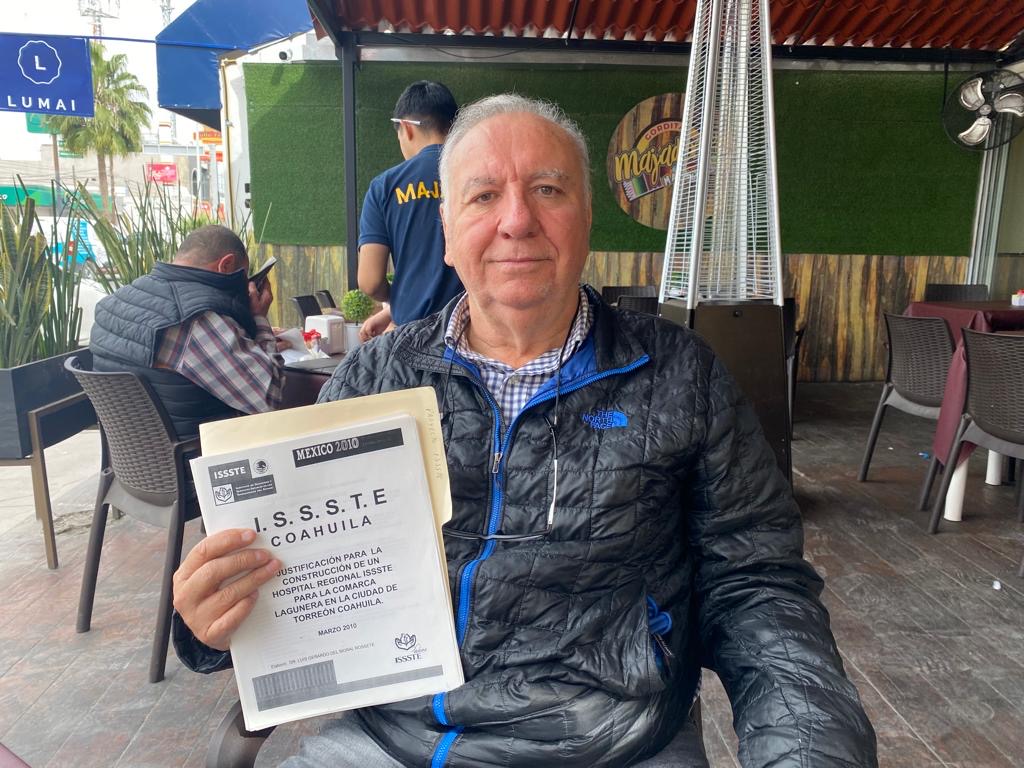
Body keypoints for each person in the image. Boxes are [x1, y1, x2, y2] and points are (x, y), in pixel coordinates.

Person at [171, 96, 878, 767]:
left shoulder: (680, 375)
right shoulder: (376, 377)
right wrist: (213, 620)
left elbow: (759, 586)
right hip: (396, 740)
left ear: (587, 219)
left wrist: (808, 752)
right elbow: (294, 577)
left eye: (547, 189)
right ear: (448, 231)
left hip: (611, 743)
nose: (517, 220)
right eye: (483, 196)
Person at [90, 224, 283, 440]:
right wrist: (259, 318)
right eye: (243, 276)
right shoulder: (195, 319)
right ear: (226, 265)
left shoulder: (113, 303)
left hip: (133, 454)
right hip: (203, 453)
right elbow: (269, 399)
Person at [356, 80, 464, 342]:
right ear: (454, 127)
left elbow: (370, 282)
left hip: (413, 337)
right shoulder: (479, 176)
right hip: (473, 332)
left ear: (406, 127)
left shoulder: (385, 186)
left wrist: (401, 301)